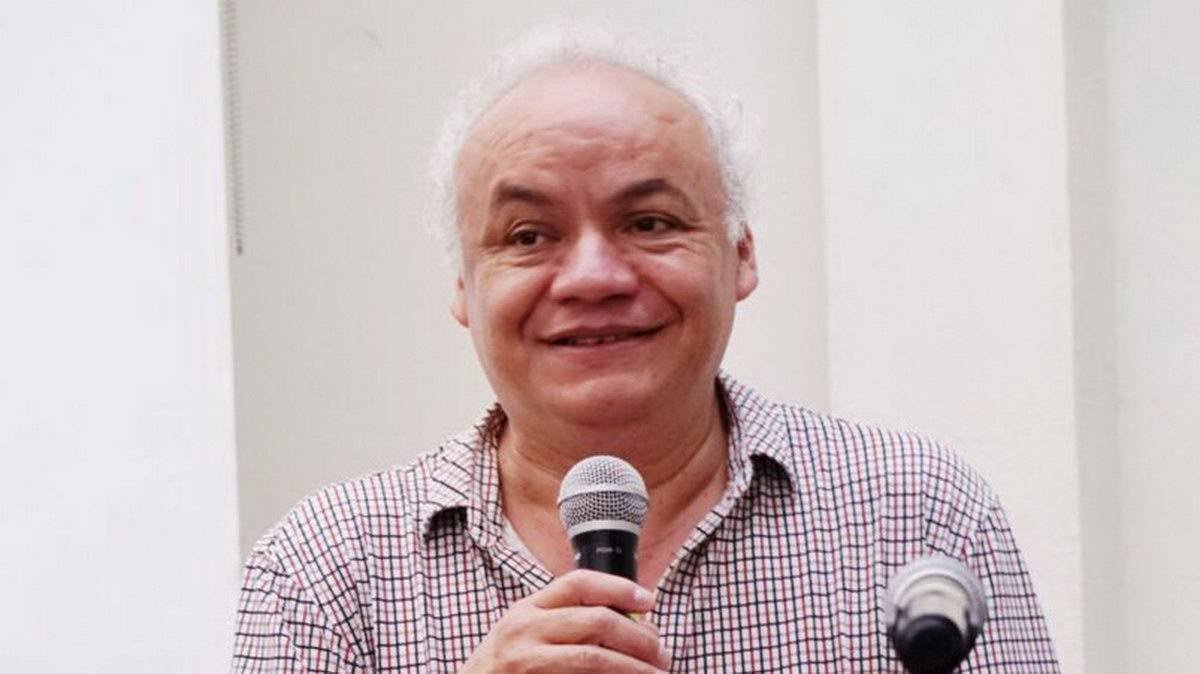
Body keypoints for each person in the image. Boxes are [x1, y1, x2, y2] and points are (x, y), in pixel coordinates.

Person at [233, 28, 1059, 673]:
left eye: (649, 222)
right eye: (529, 235)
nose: (593, 276)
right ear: (463, 285)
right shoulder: (325, 574)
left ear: (740, 254)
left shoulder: (916, 517)